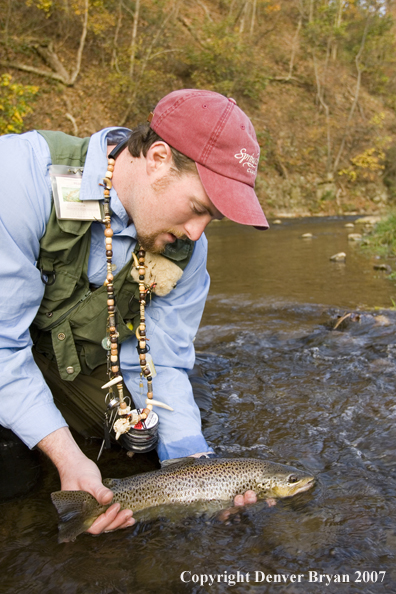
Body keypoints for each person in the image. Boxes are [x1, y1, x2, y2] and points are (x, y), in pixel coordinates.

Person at [0, 89, 268, 535]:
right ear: (159, 158)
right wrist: (67, 458)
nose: (197, 232)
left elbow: (161, 361)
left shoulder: (187, 249)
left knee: (148, 443)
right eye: (198, 208)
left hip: (64, 356)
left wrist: (194, 471)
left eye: (211, 218)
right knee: (12, 474)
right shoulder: (17, 183)